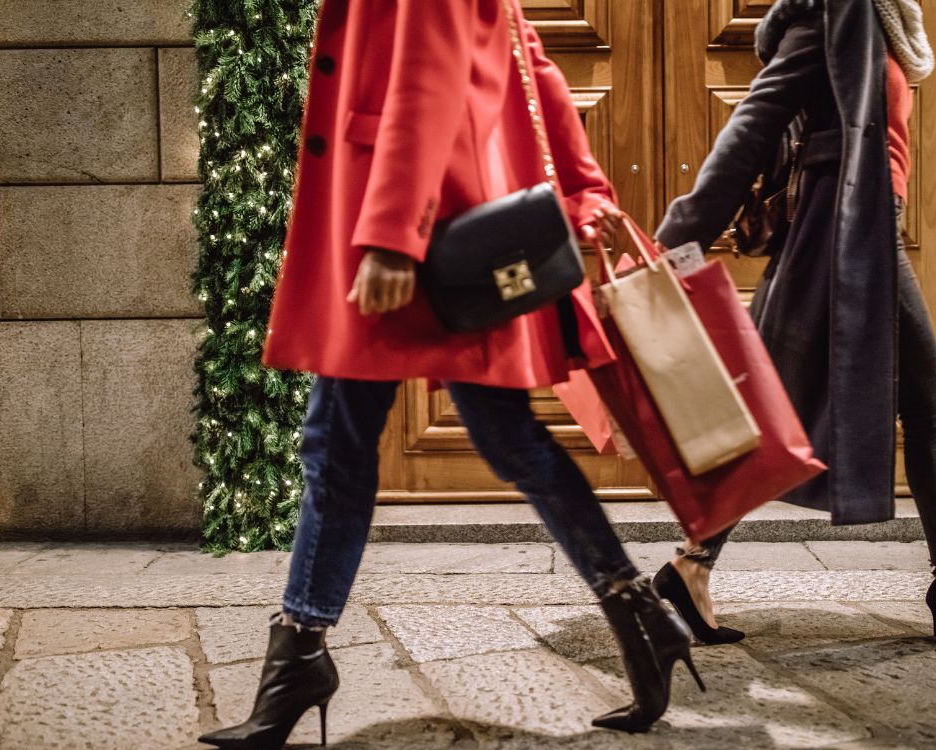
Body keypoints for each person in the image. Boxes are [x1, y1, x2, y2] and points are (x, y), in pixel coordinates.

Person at [200, 2, 699, 747]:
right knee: (462, 440)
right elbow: (525, 49)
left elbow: (425, 78)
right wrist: (583, 181)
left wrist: (394, 236)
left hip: (417, 228)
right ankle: (639, 613)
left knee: (358, 445)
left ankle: (301, 655)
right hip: (449, 217)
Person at [652, 0, 936, 649]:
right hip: (848, 233)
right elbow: (750, 131)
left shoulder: (877, 19)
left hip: (862, 226)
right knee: (929, 408)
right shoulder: (836, 11)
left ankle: (691, 565)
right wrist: (675, 240)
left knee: (781, 410)